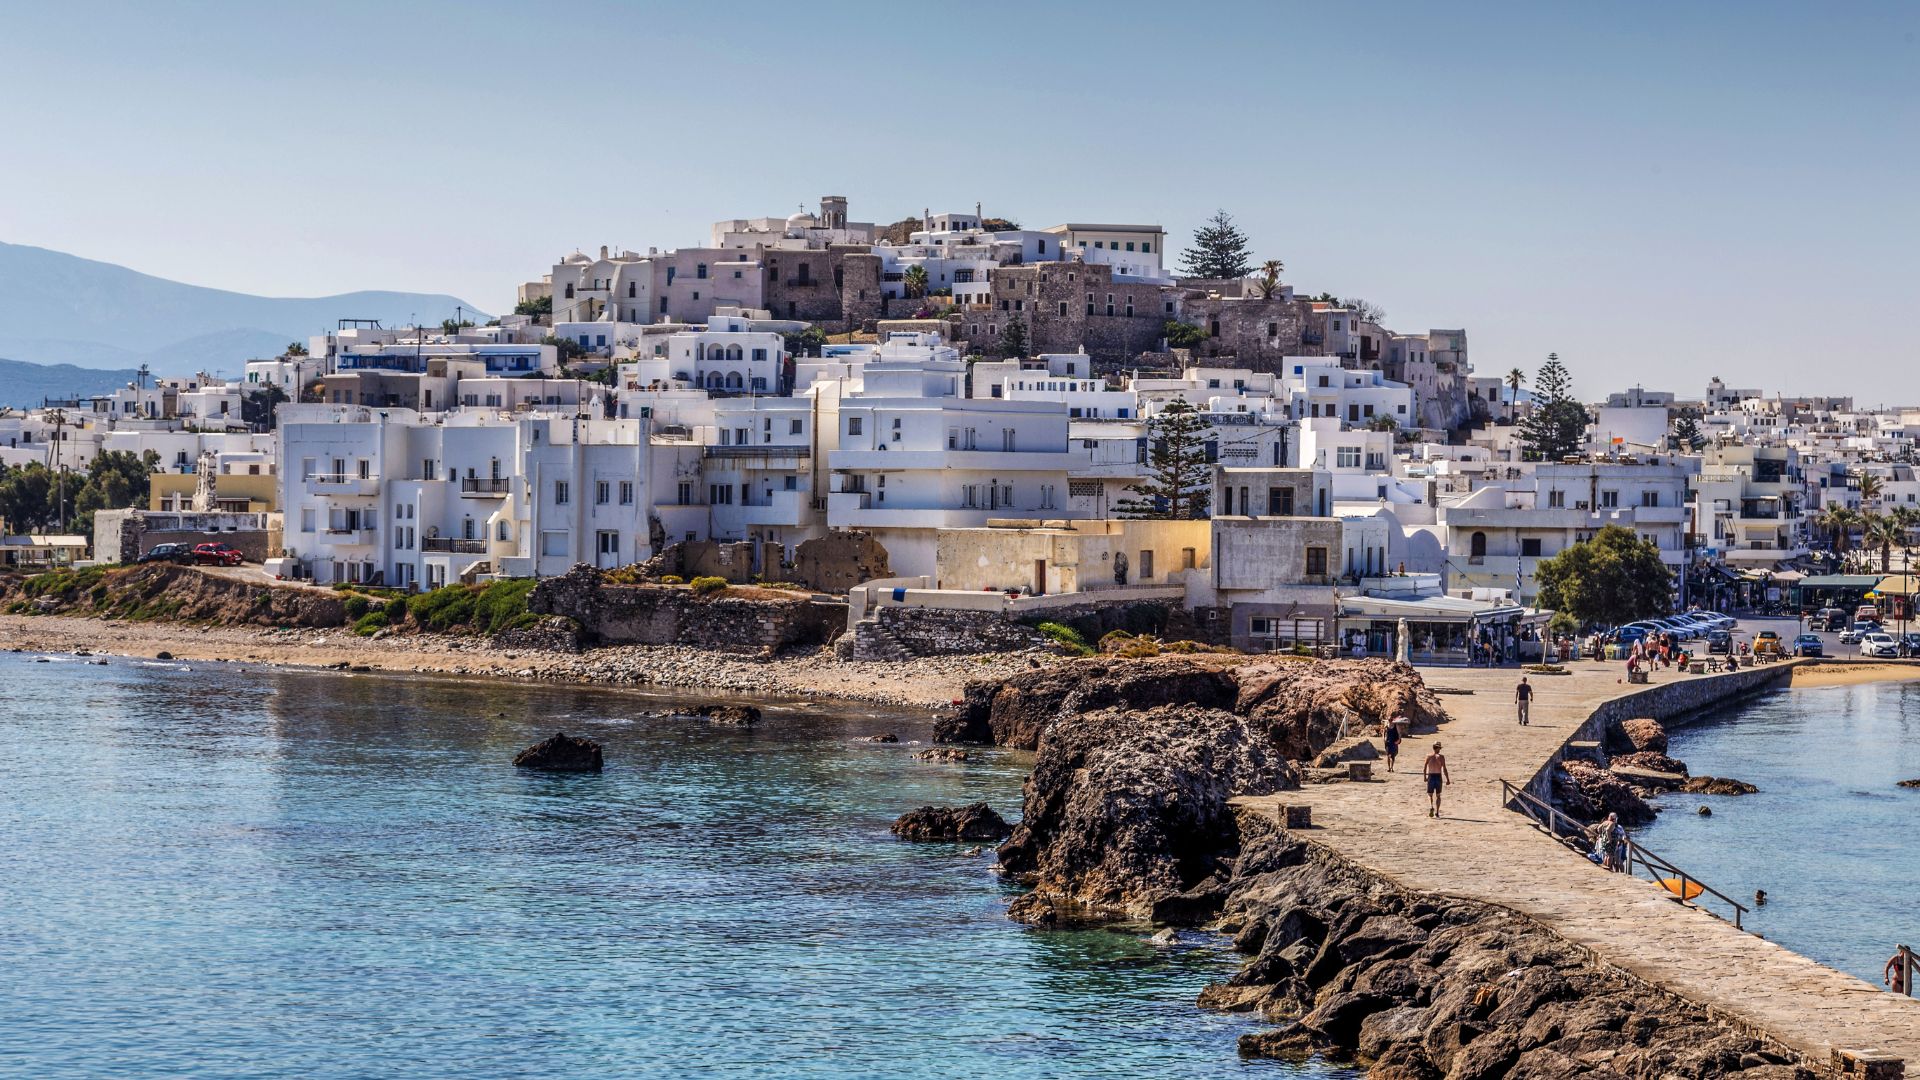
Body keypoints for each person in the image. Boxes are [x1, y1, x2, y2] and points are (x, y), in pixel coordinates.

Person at [1424, 742, 1450, 818]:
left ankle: (1431, 806)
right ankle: (1437, 812)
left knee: (1430, 794)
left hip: (1431, 776)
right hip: (1438, 776)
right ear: (1438, 748)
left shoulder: (1429, 756)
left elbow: (1425, 767)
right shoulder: (1441, 757)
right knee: (1438, 795)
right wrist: (1447, 779)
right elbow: (1444, 769)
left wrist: (1425, 777)